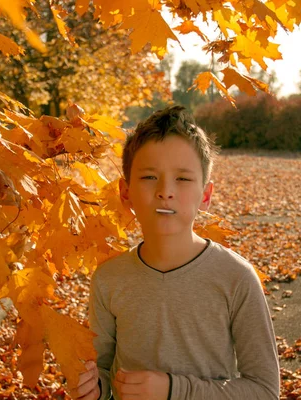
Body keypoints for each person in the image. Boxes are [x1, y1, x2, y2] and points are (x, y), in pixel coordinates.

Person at [68, 106, 280, 400]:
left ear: (205, 196)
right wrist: (95, 389)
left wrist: (172, 390)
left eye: (182, 179)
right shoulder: (109, 279)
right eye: (149, 177)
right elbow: (104, 372)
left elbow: (265, 391)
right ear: (125, 192)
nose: (165, 191)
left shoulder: (236, 279)